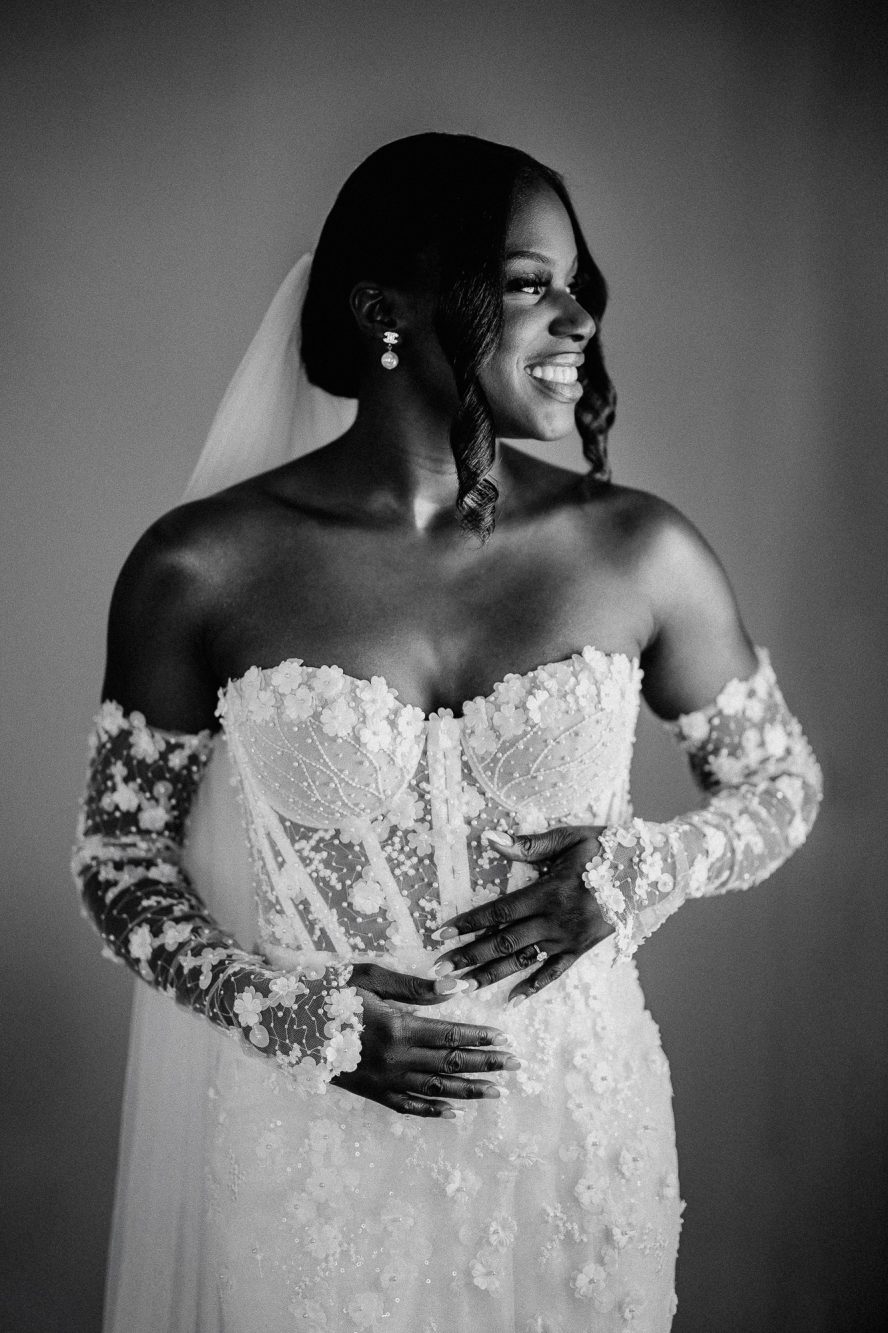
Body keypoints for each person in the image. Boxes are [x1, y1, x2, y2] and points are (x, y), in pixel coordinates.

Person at [72, 133, 822, 1332]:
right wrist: (289, 1015)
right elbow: (120, 862)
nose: (578, 319)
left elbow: (780, 783)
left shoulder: (639, 549)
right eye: (528, 284)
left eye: (578, 285)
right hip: (317, 1142)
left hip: (577, 1138)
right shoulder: (201, 565)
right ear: (387, 311)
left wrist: (643, 868)